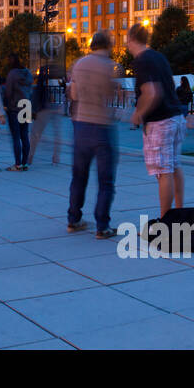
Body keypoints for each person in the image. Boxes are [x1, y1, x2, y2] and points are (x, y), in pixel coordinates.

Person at [127, 23, 186, 218]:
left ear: (131, 40)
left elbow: (152, 92)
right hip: (177, 117)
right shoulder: (158, 56)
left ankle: (166, 222)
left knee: (163, 172)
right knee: (174, 166)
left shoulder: (141, 60)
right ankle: (178, 215)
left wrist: (138, 114)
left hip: (161, 122)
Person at [65, 31, 118, 237]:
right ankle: (102, 225)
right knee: (105, 180)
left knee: (78, 176)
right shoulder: (110, 66)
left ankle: (74, 219)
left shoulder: (79, 64)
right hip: (102, 125)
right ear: (108, 45)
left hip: (80, 125)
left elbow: (74, 94)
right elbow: (110, 94)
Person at [27, 65, 64, 167]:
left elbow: (38, 93)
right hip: (57, 107)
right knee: (57, 134)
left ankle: (30, 157)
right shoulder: (60, 79)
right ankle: (55, 159)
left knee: (35, 133)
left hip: (45, 108)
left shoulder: (44, 80)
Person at [2, 54, 33, 171]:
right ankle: (25, 163)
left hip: (15, 107)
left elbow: (8, 92)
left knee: (16, 136)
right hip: (27, 105)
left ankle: (18, 164)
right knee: (25, 135)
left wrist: (6, 104)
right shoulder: (28, 73)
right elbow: (30, 89)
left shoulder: (12, 74)